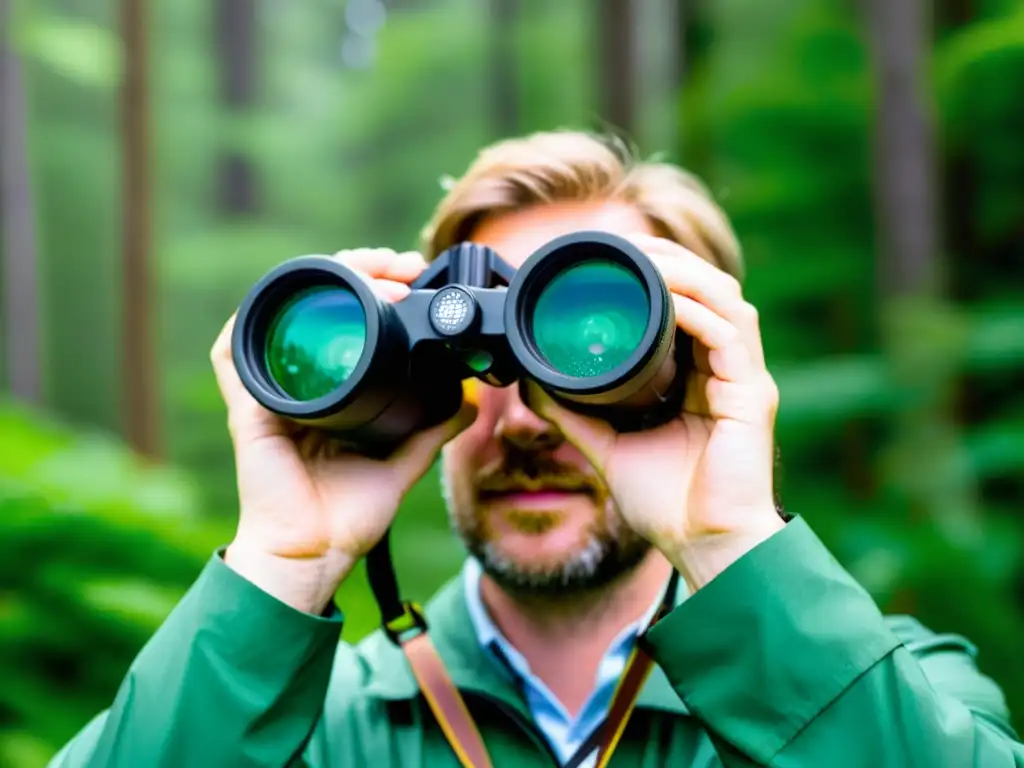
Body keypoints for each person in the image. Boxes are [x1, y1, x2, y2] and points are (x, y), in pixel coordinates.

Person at [50, 131, 1022, 768]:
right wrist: (280, 562)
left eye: (579, 342)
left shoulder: (893, 690)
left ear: (701, 363)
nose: (520, 416)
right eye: (478, 363)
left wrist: (729, 545)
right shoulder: (311, 729)